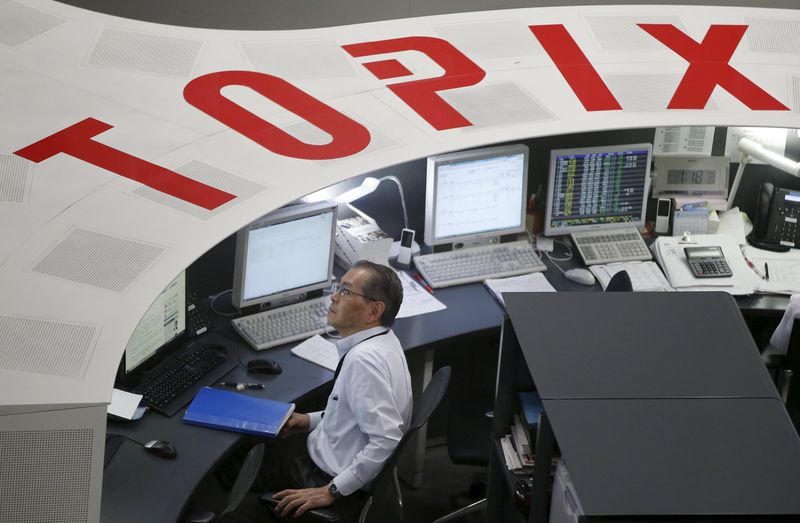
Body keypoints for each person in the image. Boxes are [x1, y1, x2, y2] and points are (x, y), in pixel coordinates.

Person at [225, 260, 412, 522]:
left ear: (374, 311)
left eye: (346, 291)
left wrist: (331, 491)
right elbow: (353, 411)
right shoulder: (384, 341)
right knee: (244, 455)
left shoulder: (364, 361)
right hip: (329, 453)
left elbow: (386, 439)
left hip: (324, 475)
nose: (334, 297)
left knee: (230, 471)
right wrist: (309, 420)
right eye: (338, 287)